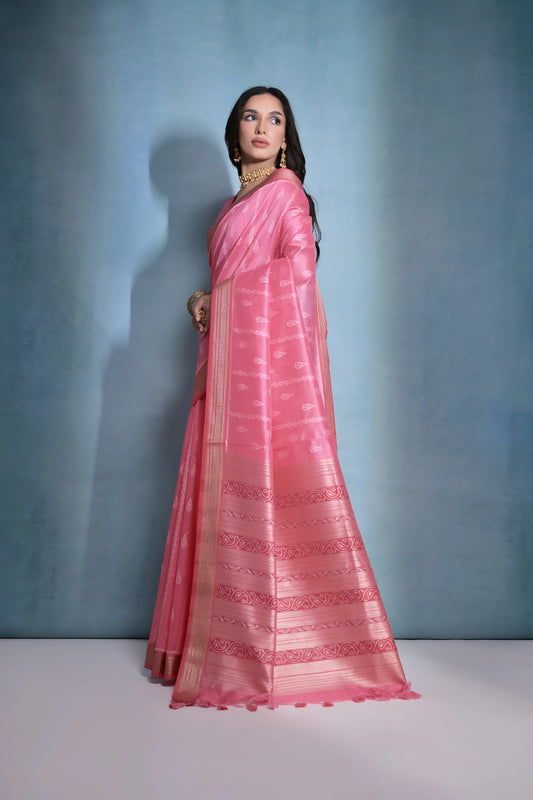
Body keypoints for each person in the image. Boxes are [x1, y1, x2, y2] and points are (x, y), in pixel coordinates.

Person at [144, 86, 420, 710]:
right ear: (234, 131)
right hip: (221, 371)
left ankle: (271, 651)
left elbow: (299, 271)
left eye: (275, 119)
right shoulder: (233, 201)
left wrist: (224, 300)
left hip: (255, 386)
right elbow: (226, 280)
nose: (262, 127)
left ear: (287, 136)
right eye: (251, 116)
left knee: (264, 499)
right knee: (213, 494)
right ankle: (207, 646)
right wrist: (202, 299)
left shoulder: (284, 194)